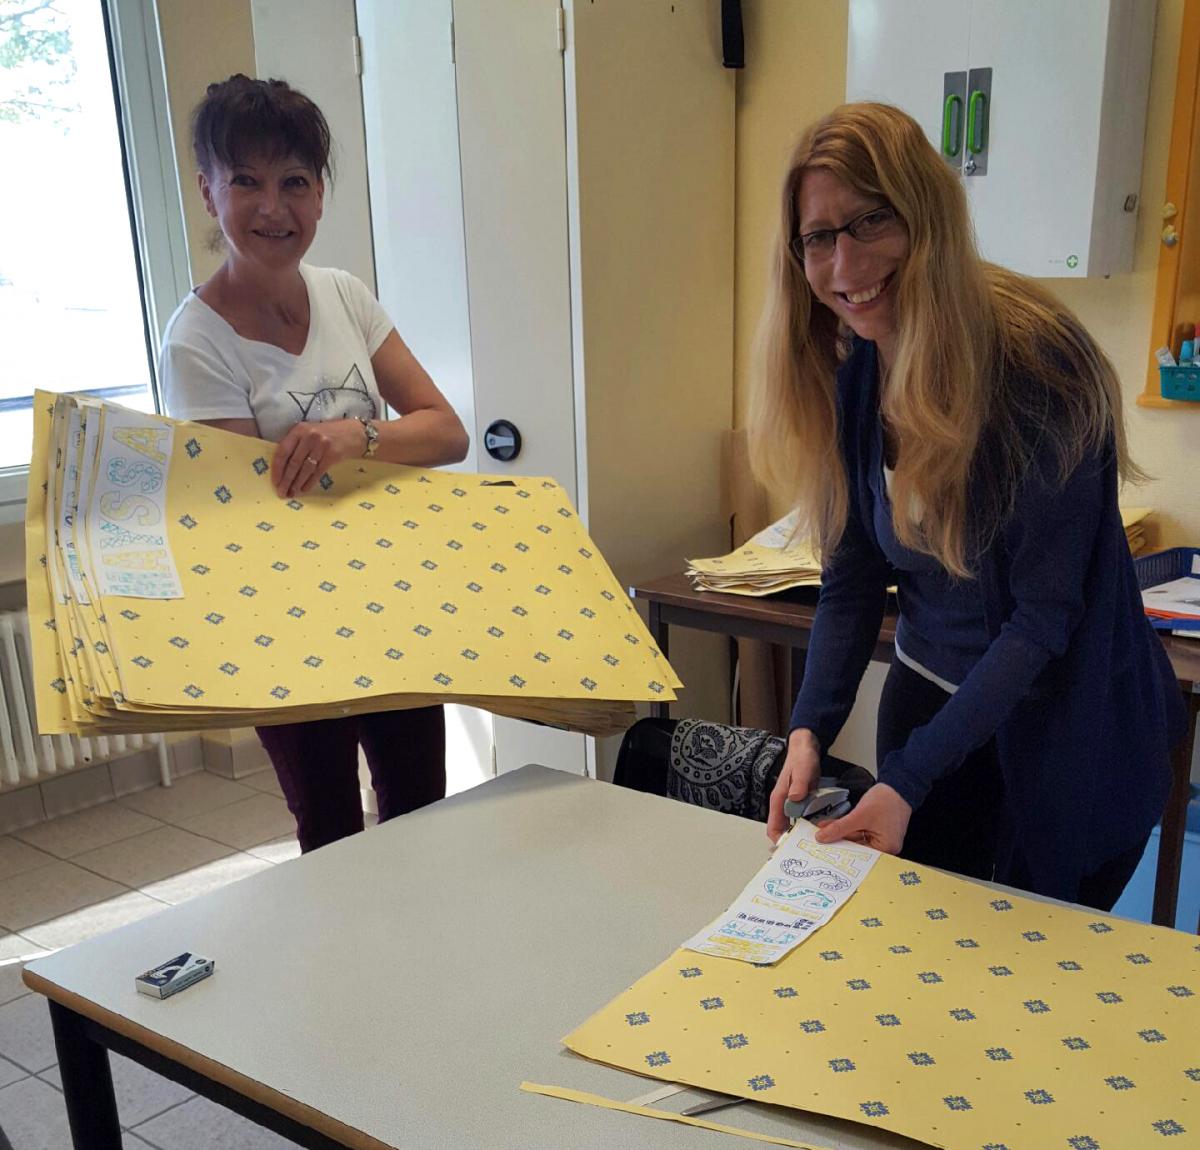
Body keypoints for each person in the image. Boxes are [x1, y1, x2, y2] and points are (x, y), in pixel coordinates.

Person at [751, 102, 1185, 907]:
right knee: (919, 937)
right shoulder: (856, 366)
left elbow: (1041, 621)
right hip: (931, 702)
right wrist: (809, 728)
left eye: (870, 222)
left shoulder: (1036, 366)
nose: (845, 264)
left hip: (1066, 724)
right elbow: (851, 573)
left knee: (1036, 958)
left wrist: (908, 778)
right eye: (819, 237)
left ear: (928, 220)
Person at [160, 75, 469, 853]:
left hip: (390, 599)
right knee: (331, 837)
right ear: (208, 192)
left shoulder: (345, 295)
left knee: (420, 813)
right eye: (247, 182)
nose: (274, 208)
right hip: (285, 627)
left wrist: (351, 438)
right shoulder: (196, 341)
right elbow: (247, 516)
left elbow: (446, 433)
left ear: (321, 194)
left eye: (295, 182)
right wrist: (368, 446)